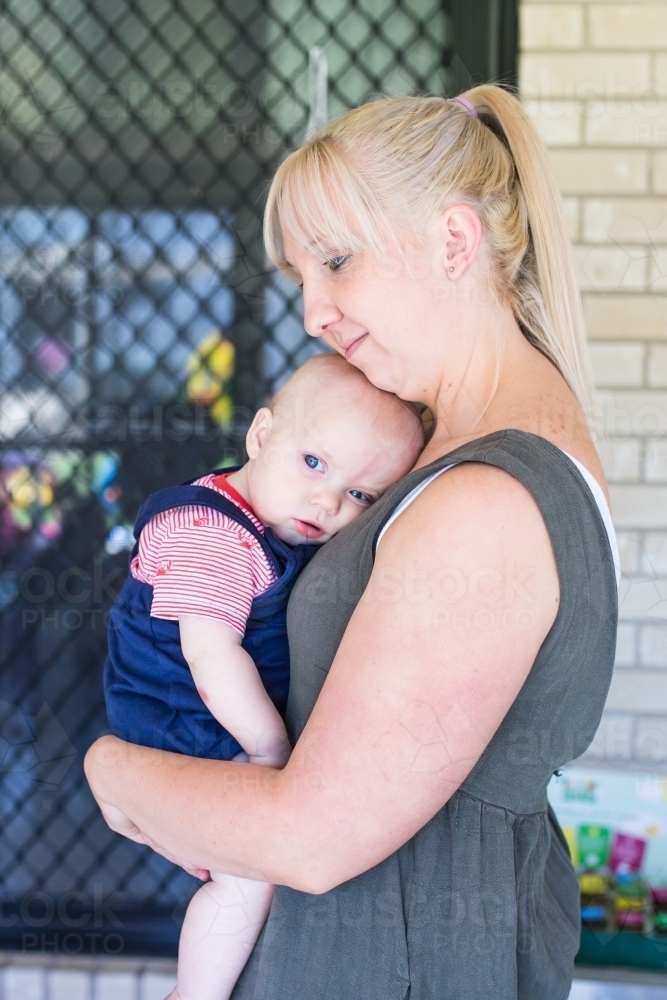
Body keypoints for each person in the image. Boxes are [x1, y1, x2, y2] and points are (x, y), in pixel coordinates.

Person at [85, 85, 619, 1000]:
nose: (311, 313)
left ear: (455, 242)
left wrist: (113, 770)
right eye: (302, 277)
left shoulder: (482, 500)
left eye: (336, 262)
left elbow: (314, 836)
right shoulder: (450, 454)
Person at [101, 353, 424, 1000]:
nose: (327, 500)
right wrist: (271, 751)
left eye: (361, 494)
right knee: (248, 877)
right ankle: (194, 994)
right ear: (259, 435)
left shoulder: (263, 517)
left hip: (208, 712)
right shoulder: (212, 534)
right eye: (313, 463)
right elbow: (211, 656)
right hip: (181, 714)